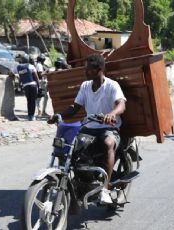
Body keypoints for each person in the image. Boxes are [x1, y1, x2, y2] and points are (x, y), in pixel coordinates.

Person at [48, 53, 127, 204]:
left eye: (89, 69)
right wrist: (59, 115)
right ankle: (77, 182)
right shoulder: (85, 86)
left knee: (108, 143)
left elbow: (121, 104)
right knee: (70, 147)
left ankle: (105, 189)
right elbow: (75, 107)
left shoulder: (112, 85)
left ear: (99, 69)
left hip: (108, 128)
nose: (85, 72)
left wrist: (112, 114)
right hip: (89, 128)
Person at [15, 54, 40, 121]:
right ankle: (32, 116)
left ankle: (29, 115)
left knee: (29, 101)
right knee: (33, 101)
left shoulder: (18, 67)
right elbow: (36, 77)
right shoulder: (31, 66)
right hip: (32, 85)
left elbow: (20, 77)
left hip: (25, 86)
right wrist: (39, 86)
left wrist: (19, 86)